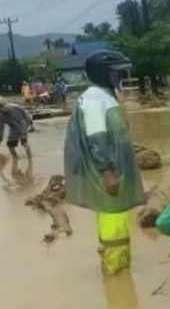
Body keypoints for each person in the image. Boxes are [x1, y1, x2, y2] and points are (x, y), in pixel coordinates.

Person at [63, 49, 146, 276]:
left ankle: (118, 268)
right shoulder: (94, 99)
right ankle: (115, 275)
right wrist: (107, 172)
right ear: (104, 73)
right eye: (114, 73)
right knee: (113, 221)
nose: (118, 77)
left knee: (116, 219)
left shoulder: (104, 95)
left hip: (115, 170)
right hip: (109, 172)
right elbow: (96, 138)